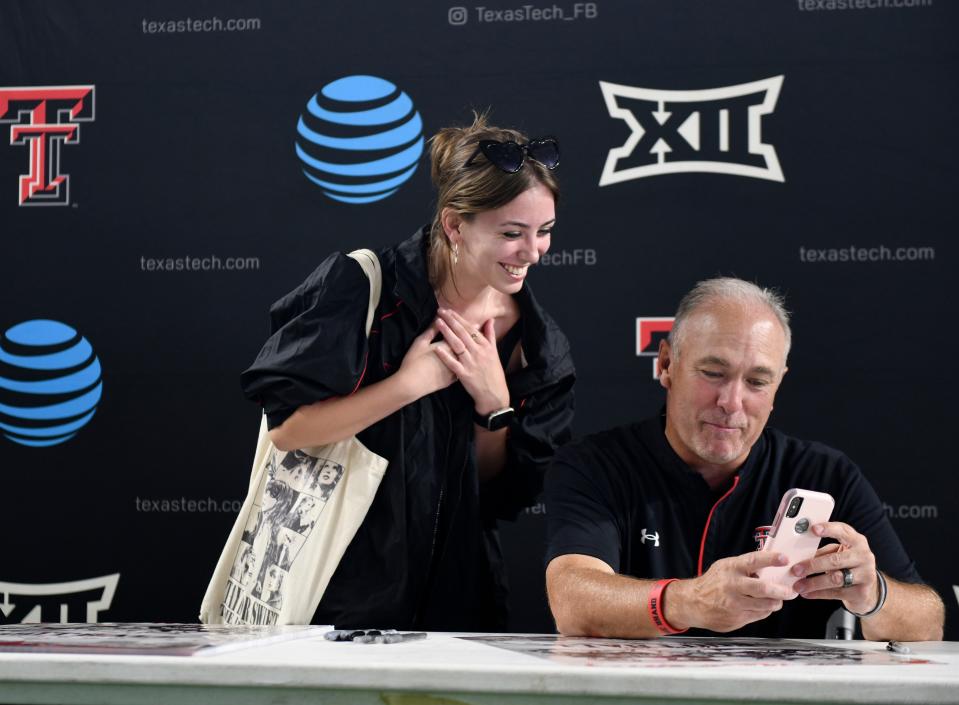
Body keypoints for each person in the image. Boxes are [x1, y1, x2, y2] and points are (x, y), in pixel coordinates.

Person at [241, 114, 576, 631]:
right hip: (331, 595)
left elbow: (498, 496)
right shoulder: (362, 289)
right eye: (512, 233)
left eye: (545, 231)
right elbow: (289, 430)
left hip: (458, 604)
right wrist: (407, 385)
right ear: (454, 225)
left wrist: (494, 405)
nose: (532, 252)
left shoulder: (537, 344)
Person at [545, 277, 943, 640]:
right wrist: (689, 601)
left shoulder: (825, 474)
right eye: (713, 373)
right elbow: (573, 602)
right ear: (666, 364)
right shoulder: (595, 464)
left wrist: (872, 594)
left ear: (778, 385)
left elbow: (930, 622)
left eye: (756, 382)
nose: (731, 403)